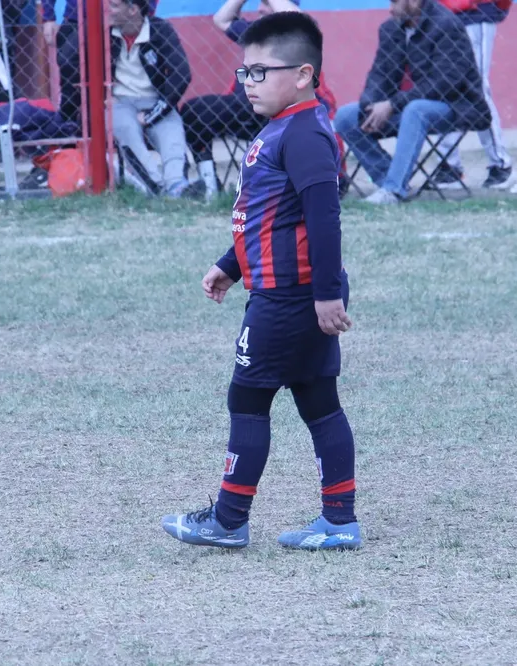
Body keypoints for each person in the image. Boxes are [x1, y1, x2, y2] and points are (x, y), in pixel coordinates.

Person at [161, 11, 361, 551]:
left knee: (247, 399)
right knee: (319, 400)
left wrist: (325, 295)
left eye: (259, 72)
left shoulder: (306, 134)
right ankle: (339, 521)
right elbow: (267, 214)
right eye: (243, 73)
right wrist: (230, 264)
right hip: (288, 293)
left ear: (302, 74)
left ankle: (228, 521)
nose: (245, 84)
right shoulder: (282, 128)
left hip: (288, 299)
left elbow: (323, 217)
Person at [333, 0, 490, 205]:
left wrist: (392, 105)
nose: (390, 8)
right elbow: (380, 75)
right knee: (346, 117)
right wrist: (370, 105)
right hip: (410, 106)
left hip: (457, 107)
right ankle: (387, 178)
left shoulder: (446, 25)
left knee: (416, 110)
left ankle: (393, 190)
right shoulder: (391, 28)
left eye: (395, 1)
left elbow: (443, 84)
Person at [181, 0, 303, 200]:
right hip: (244, 109)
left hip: (280, 112)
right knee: (193, 112)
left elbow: (297, 16)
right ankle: (210, 184)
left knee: (199, 108)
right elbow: (221, 19)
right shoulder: (256, 32)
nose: (260, 9)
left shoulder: (298, 35)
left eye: (266, 3)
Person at [108, 0, 196, 198]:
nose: (108, 10)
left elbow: (181, 74)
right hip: (120, 101)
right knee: (126, 128)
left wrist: (153, 113)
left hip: (154, 100)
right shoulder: (103, 33)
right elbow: (75, 66)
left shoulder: (160, 30)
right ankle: (156, 184)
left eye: (114, 5)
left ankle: (176, 185)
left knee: (171, 129)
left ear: (132, 10)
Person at [434, 0, 515, 190]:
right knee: (443, 88)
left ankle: (501, 165)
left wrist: (499, 8)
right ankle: (449, 168)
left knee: (476, 89)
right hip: (440, 15)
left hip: (474, 13)